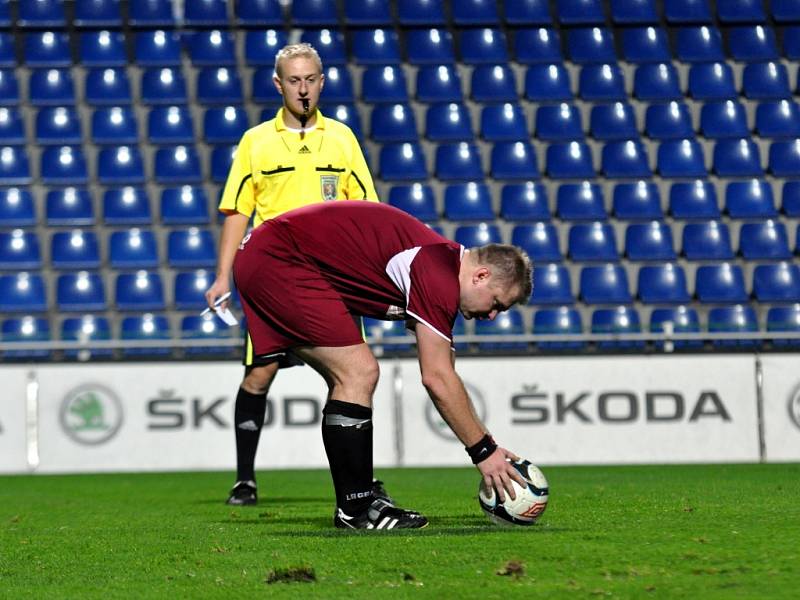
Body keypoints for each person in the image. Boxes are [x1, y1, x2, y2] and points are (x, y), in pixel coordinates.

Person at [233, 201, 533, 529]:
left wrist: (485, 441)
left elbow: (445, 368)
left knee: (352, 376)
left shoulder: (440, 264)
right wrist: (485, 452)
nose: (491, 316)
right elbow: (437, 378)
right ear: (481, 275)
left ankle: (360, 495)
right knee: (358, 372)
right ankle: (357, 509)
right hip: (278, 259)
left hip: (275, 255)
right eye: (497, 304)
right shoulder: (437, 273)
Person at [204, 43, 379, 506]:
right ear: (278, 84)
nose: (303, 89)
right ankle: (245, 478)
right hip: (276, 281)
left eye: (310, 79)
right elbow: (238, 212)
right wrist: (223, 277)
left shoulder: (342, 139)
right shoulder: (256, 141)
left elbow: (367, 211)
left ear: (322, 81)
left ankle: (362, 478)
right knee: (259, 376)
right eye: (294, 80)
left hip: (333, 280)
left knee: (350, 376)